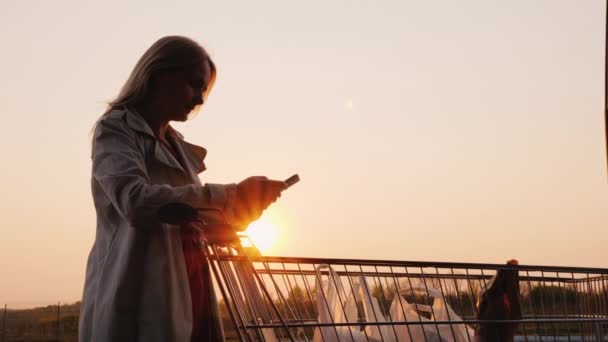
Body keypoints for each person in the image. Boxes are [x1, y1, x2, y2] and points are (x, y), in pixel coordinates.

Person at [79, 36, 286, 342]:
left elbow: (193, 219)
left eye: (203, 90)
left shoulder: (177, 146)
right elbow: (135, 201)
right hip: (137, 294)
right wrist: (228, 196)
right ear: (160, 74)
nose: (200, 99)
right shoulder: (115, 130)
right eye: (194, 84)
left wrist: (245, 208)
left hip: (191, 291)